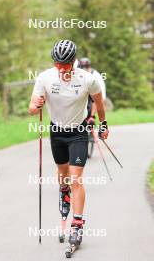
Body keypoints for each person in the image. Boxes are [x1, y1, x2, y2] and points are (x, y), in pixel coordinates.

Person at [29, 40, 109, 247]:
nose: (61, 68)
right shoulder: (45, 78)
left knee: (76, 178)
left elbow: (99, 102)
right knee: (62, 173)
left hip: (79, 131)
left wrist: (103, 124)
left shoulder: (87, 79)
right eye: (58, 63)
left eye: (65, 64)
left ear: (73, 62)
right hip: (56, 131)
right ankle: (63, 193)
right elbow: (31, 108)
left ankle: (77, 224)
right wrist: (35, 105)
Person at [79, 57, 107, 127]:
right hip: (83, 102)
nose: (84, 70)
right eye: (82, 68)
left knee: (90, 124)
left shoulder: (96, 76)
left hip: (93, 102)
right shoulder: (80, 75)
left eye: (86, 67)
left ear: (89, 67)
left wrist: (92, 116)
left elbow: (100, 99)